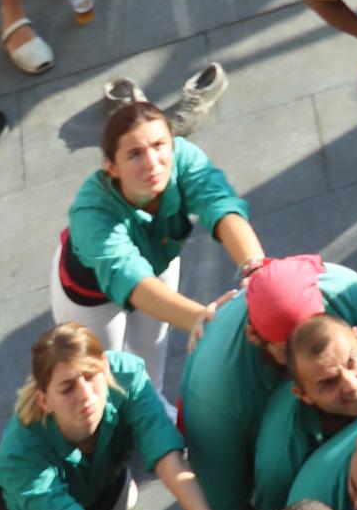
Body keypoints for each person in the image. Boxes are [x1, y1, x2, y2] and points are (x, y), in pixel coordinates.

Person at [0, 325, 222, 510]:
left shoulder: (126, 376)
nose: (85, 395)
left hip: (102, 503)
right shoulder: (20, 453)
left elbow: (166, 453)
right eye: (67, 387)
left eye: (90, 375)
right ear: (44, 401)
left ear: (105, 368)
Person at [54, 90, 263, 371]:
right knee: (106, 373)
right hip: (92, 296)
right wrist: (203, 318)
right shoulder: (91, 214)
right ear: (112, 168)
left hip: (156, 261)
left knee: (152, 357)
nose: (153, 162)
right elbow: (130, 278)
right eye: (135, 154)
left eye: (159, 145)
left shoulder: (183, 157)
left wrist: (257, 271)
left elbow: (220, 205)